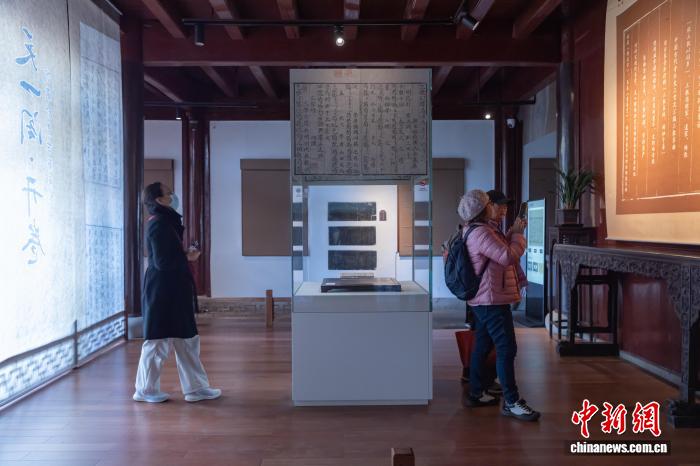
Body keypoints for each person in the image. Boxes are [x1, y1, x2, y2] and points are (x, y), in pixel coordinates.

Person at [133, 182, 222, 403]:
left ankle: (196, 388)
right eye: (168, 193)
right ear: (159, 200)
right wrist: (187, 257)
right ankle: (145, 390)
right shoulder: (158, 224)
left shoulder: (167, 222)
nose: (173, 195)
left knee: (187, 339)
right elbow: (162, 262)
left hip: (174, 289)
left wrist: (184, 254)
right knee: (158, 342)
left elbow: (168, 255)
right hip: (161, 292)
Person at [457, 189, 539, 421]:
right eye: (491, 204)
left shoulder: (478, 230)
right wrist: (518, 235)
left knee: (483, 345)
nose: (499, 209)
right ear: (484, 208)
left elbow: (499, 254)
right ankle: (512, 402)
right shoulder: (481, 232)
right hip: (490, 299)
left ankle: (476, 392)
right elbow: (507, 256)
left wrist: (511, 233)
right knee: (506, 348)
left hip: (486, 298)